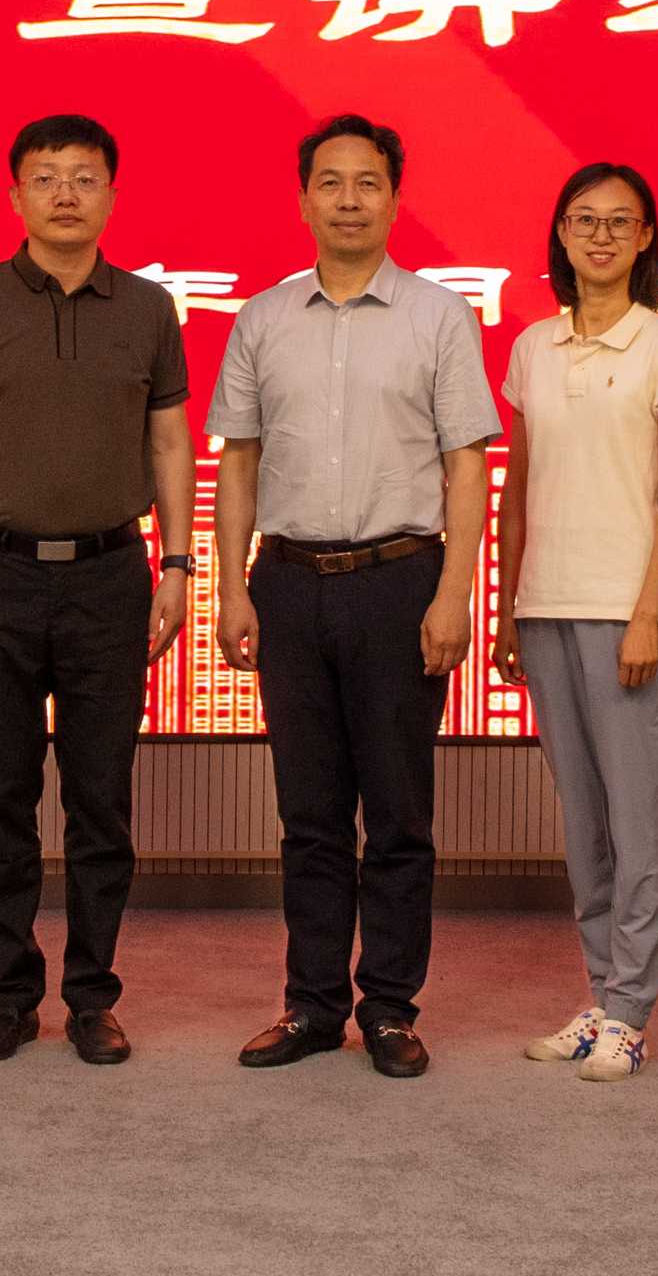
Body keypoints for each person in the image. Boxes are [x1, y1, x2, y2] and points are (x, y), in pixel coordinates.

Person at [213, 114, 498, 1079]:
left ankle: (389, 1007)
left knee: (400, 815)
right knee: (310, 815)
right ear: (303, 200)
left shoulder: (439, 316)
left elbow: (467, 468)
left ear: (394, 199)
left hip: (400, 581)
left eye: (366, 183)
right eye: (329, 183)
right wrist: (232, 590)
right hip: (289, 584)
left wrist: (454, 593)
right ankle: (312, 1005)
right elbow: (239, 463)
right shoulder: (263, 318)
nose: (348, 200)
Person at [0, 113, 195, 1065]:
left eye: (83, 177)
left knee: (99, 799)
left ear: (112, 194)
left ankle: (91, 997)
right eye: (45, 177)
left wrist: (179, 565)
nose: (65, 193)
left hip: (112, 577)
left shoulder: (148, 308)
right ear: (16, 196)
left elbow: (170, 442)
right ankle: (7, 995)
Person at [493, 162, 658, 1085]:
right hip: (546, 609)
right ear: (561, 233)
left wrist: (646, 614)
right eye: (585, 220)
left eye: (622, 221)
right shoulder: (533, 347)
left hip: (629, 617)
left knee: (639, 826)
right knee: (585, 827)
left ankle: (631, 1013)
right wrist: (507, 607)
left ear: (647, 236)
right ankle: (600, 994)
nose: (603, 236)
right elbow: (518, 485)